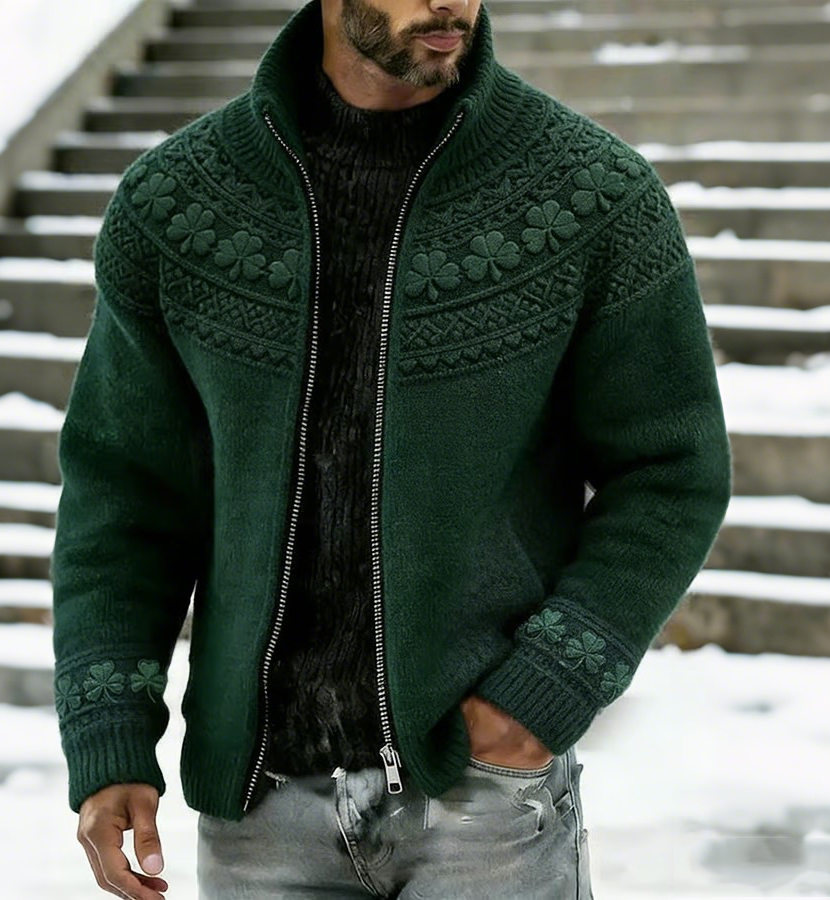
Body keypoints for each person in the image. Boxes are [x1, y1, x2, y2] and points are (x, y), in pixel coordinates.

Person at [49, 0, 733, 897]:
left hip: (481, 804)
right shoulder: (176, 203)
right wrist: (109, 737)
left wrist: (542, 692)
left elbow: (672, 469)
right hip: (259, 813)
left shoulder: (589, 195)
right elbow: (124, 497)